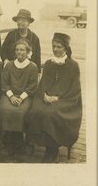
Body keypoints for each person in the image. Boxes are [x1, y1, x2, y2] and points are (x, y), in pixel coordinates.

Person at [26, 33, 81, 163]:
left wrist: (58, 98)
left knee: (51, 113)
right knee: (36, 110)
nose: (55, 49)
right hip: (46, 96)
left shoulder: (73, 65)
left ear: (66, 48)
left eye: (59, 47)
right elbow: (43, 83)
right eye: (53, 46)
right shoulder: (49, 64)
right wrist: (44, 95)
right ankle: (43, 143)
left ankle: (52, 149)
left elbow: (75, 89)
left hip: (66, 100)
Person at [0, 39, 39, 156]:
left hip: (25, 96)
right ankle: (7, 140)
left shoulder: (33, 67)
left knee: (21, 112)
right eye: (17, 50)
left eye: (22, 50)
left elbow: (32, 86)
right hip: (9, 94)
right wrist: (11, 96)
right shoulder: (9, 65)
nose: (19, 52)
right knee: (4, 110)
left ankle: (19, 142)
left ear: (27, 52)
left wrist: (21, 98)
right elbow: (4, 83)